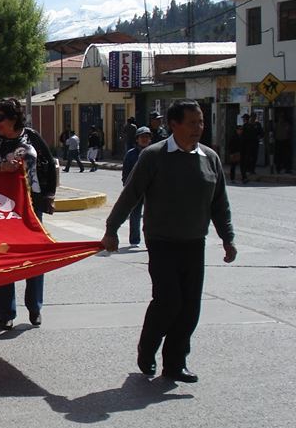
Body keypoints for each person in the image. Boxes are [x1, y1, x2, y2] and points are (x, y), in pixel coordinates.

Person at [100, 100, 236, 383]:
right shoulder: (154, 155)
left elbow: (219, 203)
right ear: (173, 125)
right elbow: (131, 194)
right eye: (192, 123)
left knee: (190, 308)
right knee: (168, 301)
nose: (198, 128)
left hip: (194, 241)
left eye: (201, 122)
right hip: (161, 241)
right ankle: (147, 348)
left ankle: (175, 363)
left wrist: (227, 238)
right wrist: (112, 229)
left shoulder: (209, 158)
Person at [0, 98, 57, 330]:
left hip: (31, 206)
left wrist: (49, 195)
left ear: (13, 119)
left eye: (0, 118)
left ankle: (35, 307)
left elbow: (49, 164)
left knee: (35, 258)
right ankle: (6, 313)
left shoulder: (32, 137)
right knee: (5, 259)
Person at [121, 126, 152, 246]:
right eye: (142, 137)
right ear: (137, 139)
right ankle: (134, 240)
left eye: (147, 137)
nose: (144, 139)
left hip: (151, 190)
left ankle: (150, 240)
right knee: (135, 215)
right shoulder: (130, 154)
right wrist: (127, 187)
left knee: (150, 217)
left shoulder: (155, 153)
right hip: (135, 190)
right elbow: (125, 172)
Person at [240, 114, 261, 181]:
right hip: (247, 145)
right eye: (252, 117)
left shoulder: (257, 125)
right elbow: (242, 135)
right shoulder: (246, 125)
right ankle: (246, 171)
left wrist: (259, 137)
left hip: (255, 144)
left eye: (254, 117)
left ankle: (252, 170)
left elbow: (262, 133)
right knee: (247, 158)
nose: (253, 119)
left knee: (254, 157)